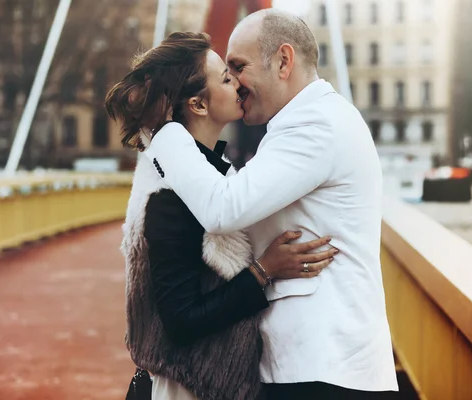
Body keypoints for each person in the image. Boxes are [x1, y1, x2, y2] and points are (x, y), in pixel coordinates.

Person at [142, 10, 399, 400]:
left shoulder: (316, 126)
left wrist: (162, 133)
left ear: (283, 60)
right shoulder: (302, 124)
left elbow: (222, 209)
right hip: (313, 366)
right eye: (226, 73)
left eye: (239, 67)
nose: (235, 83)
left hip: (325, 369)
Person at [105, 32, 335, 400]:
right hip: (183, 388)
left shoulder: (207, 179)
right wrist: (264, 271)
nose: (239, 84)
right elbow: (181, 322)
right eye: (227, 78)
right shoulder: (171, 198)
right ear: (198, 105)